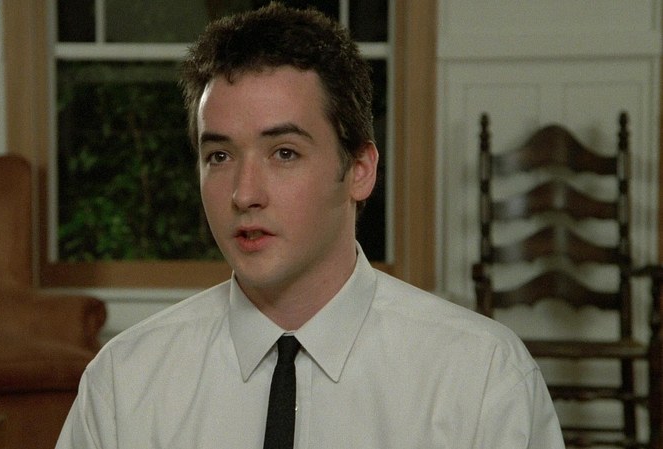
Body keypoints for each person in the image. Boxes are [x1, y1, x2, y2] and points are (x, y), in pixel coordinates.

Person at [54, 4, 565, 448]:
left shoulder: (481, 378)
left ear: (359, 170)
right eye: (219, 156)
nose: (244, 194)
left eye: (284, 153)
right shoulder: (124, 383)